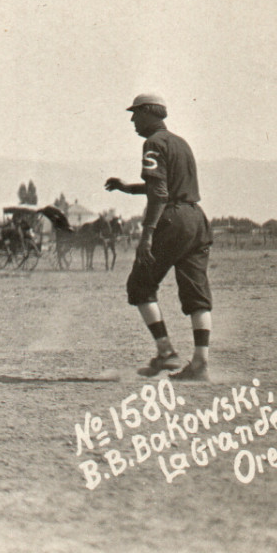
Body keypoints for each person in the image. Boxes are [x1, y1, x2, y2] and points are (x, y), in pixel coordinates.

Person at [106, 93, 214, 381]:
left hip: (172, 219)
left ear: (150, 113)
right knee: (197, 293)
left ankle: (166, 352)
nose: (132, 120)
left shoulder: (152, 143)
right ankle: (200, 363)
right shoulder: (181, 143)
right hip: (196, 219)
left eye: (136, 113)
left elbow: (160, 193)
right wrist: (127, 188)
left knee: (140, 286)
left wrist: (147, 235)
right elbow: (167, 185)